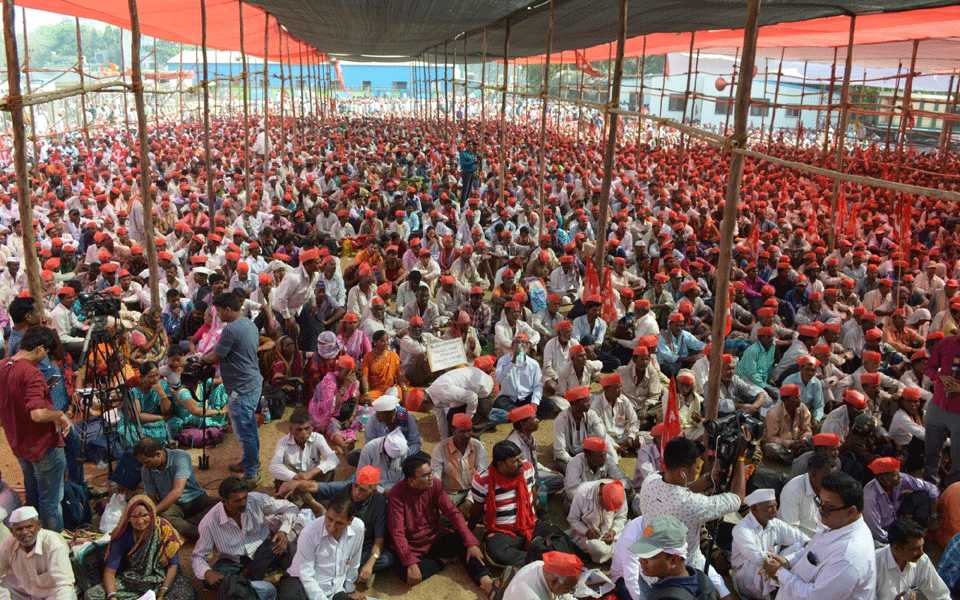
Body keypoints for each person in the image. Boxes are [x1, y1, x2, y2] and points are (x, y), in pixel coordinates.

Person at [638, 436, 744, 597]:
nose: (698, 470)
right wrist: (740, 458)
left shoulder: (650, 482)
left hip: (648, 574)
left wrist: (709, 478)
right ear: (682, 472)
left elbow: (679, 492)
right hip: (679, 582)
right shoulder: (693, 504)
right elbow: (737, 499)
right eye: (696, 467)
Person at [387, 456, 494, 595]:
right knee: (406, 574)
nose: (431, 477)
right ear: (411, 481)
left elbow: (452, 512)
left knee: (465, 542)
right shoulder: (396, 494)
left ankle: (489, 585)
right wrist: (410, 562)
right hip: (412, 544)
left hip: (435, 536)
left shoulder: (435, 485)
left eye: (430, 472)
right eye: (425, 475)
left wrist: (471, 542)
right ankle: (444, 560)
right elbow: (397, 532)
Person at [761, 472, 876, 600]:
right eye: (820, 502)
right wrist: (787, 562)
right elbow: (811, 552)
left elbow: (815, 596)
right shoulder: (837, 524)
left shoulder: (848, 557)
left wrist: (779, 572)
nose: (820, 510)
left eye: (829, 507)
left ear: (851, 511)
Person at [0, 326, 68, 532]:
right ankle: (52, 542)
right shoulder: (31, 373)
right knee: (51, 501)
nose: (45, 357)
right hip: (42, 445)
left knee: (33, 494)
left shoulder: (3, 366)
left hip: (19, 443)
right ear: (39, 348)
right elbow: (38, 414)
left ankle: (32, 537)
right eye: (46, 352)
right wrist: (59, 415)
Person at [277, 466, 393, 586]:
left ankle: (355, 571)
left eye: (363, 490)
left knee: (387, 558)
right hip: (337, 541)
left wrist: (370, 563)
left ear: (373, 491)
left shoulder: (379, 503)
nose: (356, 492)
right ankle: (352, 573)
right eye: (356, 485)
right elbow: (316, 487)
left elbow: (379, 539)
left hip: (363, 547)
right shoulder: (345, 487)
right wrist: (296, 483)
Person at [192, 477, 298, 600]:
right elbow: (198, 556)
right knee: (211, 580)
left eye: (245, 497)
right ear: (224, 501)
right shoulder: (209, 522)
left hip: (262, 550)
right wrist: (207, 573)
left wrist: (283, 530)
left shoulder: (257, 500)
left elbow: (291, 507)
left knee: (276, 548)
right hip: (232, 560)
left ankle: (239, 583)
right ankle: (248, 581)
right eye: (237, 501)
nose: (243, 503)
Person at [468, 441, 566, 569]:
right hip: (501, 532)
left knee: (560, 537)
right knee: (496, 554)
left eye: (521, 458)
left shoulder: (527, 470)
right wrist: (469, 531)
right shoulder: (482, 481)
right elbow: (477, 509)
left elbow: (533, 494)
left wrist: (535, 517)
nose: (521, 463)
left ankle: (532, 560)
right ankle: (542, 560)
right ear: (501, 464)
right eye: (515, 460)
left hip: (529, 525)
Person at [202, 292, 264, 480]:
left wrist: (201, 358)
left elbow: (214, 357)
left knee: (245, 431)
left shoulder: (230, 330)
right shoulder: (249, 323)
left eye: (219, 311)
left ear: (228, 310)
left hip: (241, 388)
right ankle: (249, 461)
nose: (218, 315)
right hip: (252, 382)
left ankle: (251, 472)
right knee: (250, 428)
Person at [85, 496, 194, 600]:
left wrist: (162, 593)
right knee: (93, 594)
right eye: (135, 517)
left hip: (162, 578)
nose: (140, 521)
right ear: (128, 518)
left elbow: (172, 566)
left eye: (144, 515)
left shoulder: (163, 529)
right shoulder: (122, 535)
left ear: (151, 514)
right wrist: (112, 597)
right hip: (132, 580)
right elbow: (110, 571)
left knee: (184, 592)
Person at [276, 495, 364, 600]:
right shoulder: (309, 533)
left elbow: (354, 561)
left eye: (339, 523)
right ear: (326, 513)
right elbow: (306, 575)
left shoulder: (358, 528)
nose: (331, 527)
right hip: (300, 583)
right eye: (329, 519)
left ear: (350, 521)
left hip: (335, 590)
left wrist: (350, 589)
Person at [135, 437, 219, 542]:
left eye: (147, 462)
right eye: (143, 463)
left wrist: (153, 512)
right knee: (166, 518)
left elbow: (177, 492)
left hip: (195, 498)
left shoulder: (180, 457)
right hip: (171, 506)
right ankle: (206, 533)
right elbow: (152, 498)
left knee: (221, 505)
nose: (145, 466)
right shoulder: (146, 470)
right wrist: (156, 515)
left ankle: (187, 527)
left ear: (158, 454)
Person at [731, 489, 809, 600]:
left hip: (773, 569)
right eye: (769, 507)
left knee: (799, 547)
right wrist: (783, 565)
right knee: (764, 566)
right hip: (746, 576)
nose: (774, 511)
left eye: (775, 506)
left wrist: (785, 561)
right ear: (754, 509)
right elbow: (759, 558)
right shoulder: (741, 529)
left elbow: (805, 540)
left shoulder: (776, 523)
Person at [626, 514, 719, 600]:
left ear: (673, 560)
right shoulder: (702, 579)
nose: (640, 559)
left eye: (649, 556)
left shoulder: (665, 597)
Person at [0, 507, 75, 600]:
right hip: (25, 592)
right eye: (19, 529)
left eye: (29, 527)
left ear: (39, 525)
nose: (25, 532)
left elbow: (64, 584)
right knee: (4, 584)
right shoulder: (8, 544)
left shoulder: (54, 544)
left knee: (68, 594)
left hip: (51, 594)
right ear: (12, 532)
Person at [862, 456, 939, 543]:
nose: (899, 477)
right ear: (882, 479)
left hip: (898, 516)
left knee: (922, 495)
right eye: (895, 475)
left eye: (899, 473)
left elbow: (931, 488)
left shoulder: (900, 479)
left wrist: (934, 517)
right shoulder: (870, 497)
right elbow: (876, 531)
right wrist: (900, 541)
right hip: (886, 530)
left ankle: (919, 533)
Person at [874, 518, 949, 600]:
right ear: (896, 549)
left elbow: (941, 595)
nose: (922, 553)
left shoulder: (921, 560)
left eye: (922, 546)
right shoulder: (874, 565)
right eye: (916, 549)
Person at [430, 413, 488, 512]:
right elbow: (436, 480)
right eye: (462, 432)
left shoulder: (478, 446)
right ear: (453, 431)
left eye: (469, 430)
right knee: (439, 514)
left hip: (475, 491)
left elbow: (483, 477)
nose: (467, 435)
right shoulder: (440, 448)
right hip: (450, 494)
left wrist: (469, 501)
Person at [923, 332, 960, 485]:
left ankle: (951, 493)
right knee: (931, 453)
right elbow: (929, 368)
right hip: (938, 405)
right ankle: (930, 489)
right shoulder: (946, 343)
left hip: (958, 412)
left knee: (958, 460)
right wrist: (941, 377)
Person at [268, 408, 339, 486]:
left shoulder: (318, 438)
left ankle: (312, 495)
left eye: (307, 429)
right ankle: (309, 497)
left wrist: (312, 473)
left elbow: (333, 459)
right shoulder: (282, 442)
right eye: (299, 430)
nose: (304, 433)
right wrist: (296, 477)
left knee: (329, 469)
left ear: (311, 427)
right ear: (291, 430)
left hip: (312, 479)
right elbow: (273, 466)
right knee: (284, 469)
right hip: (293, 481)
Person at [494, 332, 553, 419]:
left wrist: (535, 403)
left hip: (526, 398)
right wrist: (512, 361)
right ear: (512, 346)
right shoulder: (504, 360)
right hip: (509, 398)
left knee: (549, 403)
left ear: (527, 347)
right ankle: (527, 416)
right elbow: (498, 379)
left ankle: (520, 415)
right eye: (517, 342)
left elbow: (538, 386)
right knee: (499, 403)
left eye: (523, 342)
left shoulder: (534, 364)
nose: (520, 344)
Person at [567, 479, 627, 563]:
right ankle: (613, 554)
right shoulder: (582, 493)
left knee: (633, 532)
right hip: (588, 536)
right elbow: (573, 520)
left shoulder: (620, 492)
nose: (608, 511)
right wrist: (587, 532)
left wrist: (613, 532)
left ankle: (608, 553)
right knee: (596, 547)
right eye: (606, 508)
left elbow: (621, 517)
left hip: (612, 535)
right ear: (599, 494)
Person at [779, 452, 838, 537]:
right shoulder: (793, 491)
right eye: (827, 478)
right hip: (799, 543)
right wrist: (811, 545)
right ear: (813, 474)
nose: (831, 482)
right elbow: (789, 531)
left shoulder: (829, 488)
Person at [762, 383, 813, 464]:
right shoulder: (773, 414)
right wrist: (789, 445)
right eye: (795, 398)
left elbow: (807, 430)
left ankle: (798, 456)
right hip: (782, 444)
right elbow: (771, 437)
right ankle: (797, 459)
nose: (799, 400)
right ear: (784, 399)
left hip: (798, 442)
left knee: (814, 441)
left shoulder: (802, 407)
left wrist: (803, 440)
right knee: (770, 448)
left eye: (799, 397)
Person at [501, 551, 582, 600]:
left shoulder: (542, 566)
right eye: (568, 589)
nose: (567, 592)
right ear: (554, 582)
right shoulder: (532, 596)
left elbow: (564, 597)